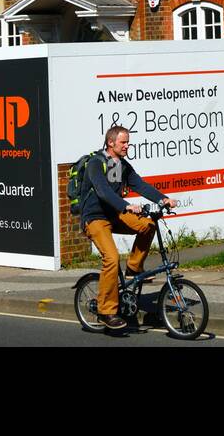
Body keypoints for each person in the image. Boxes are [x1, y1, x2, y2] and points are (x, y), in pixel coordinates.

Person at [79, 125, 177, 330]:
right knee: (112, 258)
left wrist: (163, 199)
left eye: (128, 142)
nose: (127, 146)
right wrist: (126, 206)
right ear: (110, 143)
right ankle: (106, 311)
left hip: (114, 215)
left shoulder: (120, 165)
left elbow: (139, 185)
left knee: (148, 225)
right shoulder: (96, 164)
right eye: (123, 142)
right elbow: (104, 191)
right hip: (95, 218)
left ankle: (133, 267)